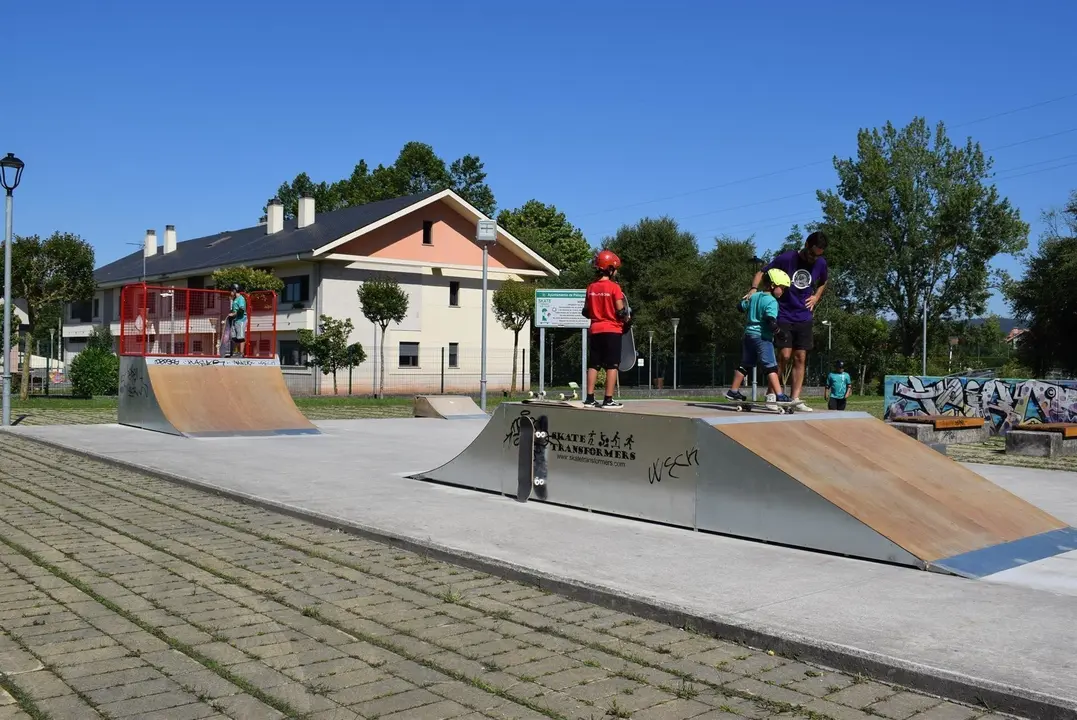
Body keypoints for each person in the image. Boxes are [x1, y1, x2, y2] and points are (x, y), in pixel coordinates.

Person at [746, 231, 828, 412]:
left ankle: (795, 398)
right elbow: (762, 271)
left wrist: (816, 297)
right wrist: (753, 289)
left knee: (801, 357)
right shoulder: (788, 258)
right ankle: (772, 395)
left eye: (819, 255)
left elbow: (824, 281)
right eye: (813, 253)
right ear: (807, 245)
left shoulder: (821, 263)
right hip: (783, 314)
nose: (815, 258)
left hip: (804, 316)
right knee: (784, 355)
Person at [724, 268, 791, 411]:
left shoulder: (754, 296)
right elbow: (770, 321)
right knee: (771, 366)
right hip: (762, 337)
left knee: (746, 364)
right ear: (773, 285)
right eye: (782, 288)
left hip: (748, 335)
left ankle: (733, 391)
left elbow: (740, 307)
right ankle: (780, 395)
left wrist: (748, 295)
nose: (783, 291)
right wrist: (780, 333)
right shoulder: (772, 301)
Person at [582, 249, 629, 408]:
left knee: (594, 364)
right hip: (612, 330)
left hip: (595, 329)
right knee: (612, 365)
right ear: (609, 269)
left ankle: (589, 398)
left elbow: (586, 311)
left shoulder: (591, 287)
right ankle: (608, 399)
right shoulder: (614, 287)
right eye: (614, 268)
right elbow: (621, 311)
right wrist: (627, 319)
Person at [225, 284, 247, 358]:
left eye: (231, 291)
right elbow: (234, 309)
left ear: (235, 290)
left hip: (241, 320)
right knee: (234, 337)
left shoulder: (241, 298)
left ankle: (241, 353)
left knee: (241, 337)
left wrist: (234, 313)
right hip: (235, 320)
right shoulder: (235, 299)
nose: (230, 292)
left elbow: (242, 309)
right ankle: (237, 352)